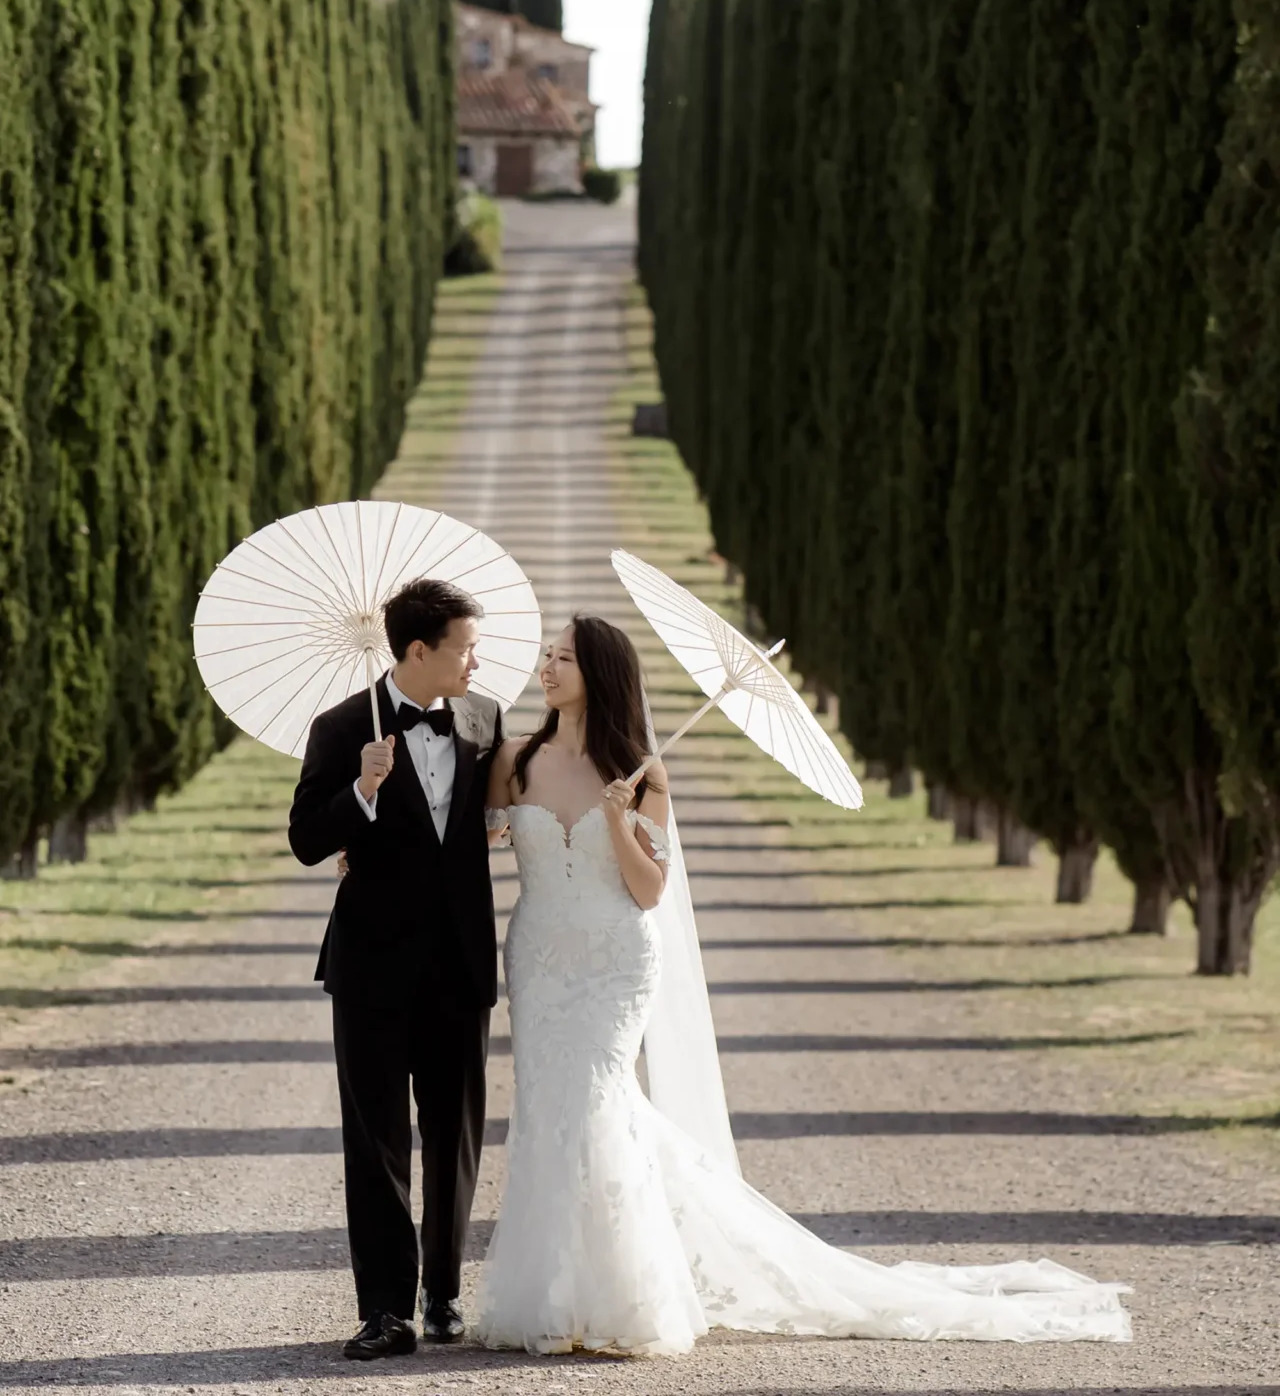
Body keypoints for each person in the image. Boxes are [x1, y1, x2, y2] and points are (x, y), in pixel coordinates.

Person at [477, 612, 1132, 1356]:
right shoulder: (515, 759)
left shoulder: (645, 771)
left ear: (601, 672)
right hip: (538, 959)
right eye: (547, 656)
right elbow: (479, 840)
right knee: (547, 1108)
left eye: (563, 657)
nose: (548, 668)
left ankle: (617, 1298)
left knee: (596, 1102)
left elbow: (650, 893)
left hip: (613, 962)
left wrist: (622, 826)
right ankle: (550, 1295)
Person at [288, 578, 504, 1361]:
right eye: (466, 648)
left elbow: (490, 814)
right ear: (420, 650)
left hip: (459, 962)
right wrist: (362, 789)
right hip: (372, 966)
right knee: (375, 1140)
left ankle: (443, 1294)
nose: (477, 661)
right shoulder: (342, 726)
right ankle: (385, 1310)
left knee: (455, 1134)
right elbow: (308, 838)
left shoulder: (484, 720)